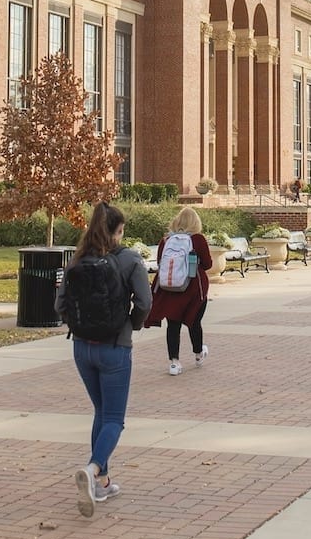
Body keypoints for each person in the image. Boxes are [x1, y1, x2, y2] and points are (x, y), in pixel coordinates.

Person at [53, 200, 151, 518]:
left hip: (82, 347)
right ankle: (93, 469)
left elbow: (60, 304)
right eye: (121, 231)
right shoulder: (130, 260)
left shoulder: (78, 260)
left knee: (101, 412)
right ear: (116, 231)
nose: (122, 237)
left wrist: (79, 326)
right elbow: (146, 302)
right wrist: (131, 324)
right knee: (113, 419)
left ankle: (103, 482)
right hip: (115, 347)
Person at [145, 205, 213, 375]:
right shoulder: (198, 239)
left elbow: (161, 262)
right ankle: (198, 354)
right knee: (194, 322)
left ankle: (174, 362)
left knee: (172, 325)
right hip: (193, 289)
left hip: (170, 289)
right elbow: (208, 264)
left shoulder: (166, 241)